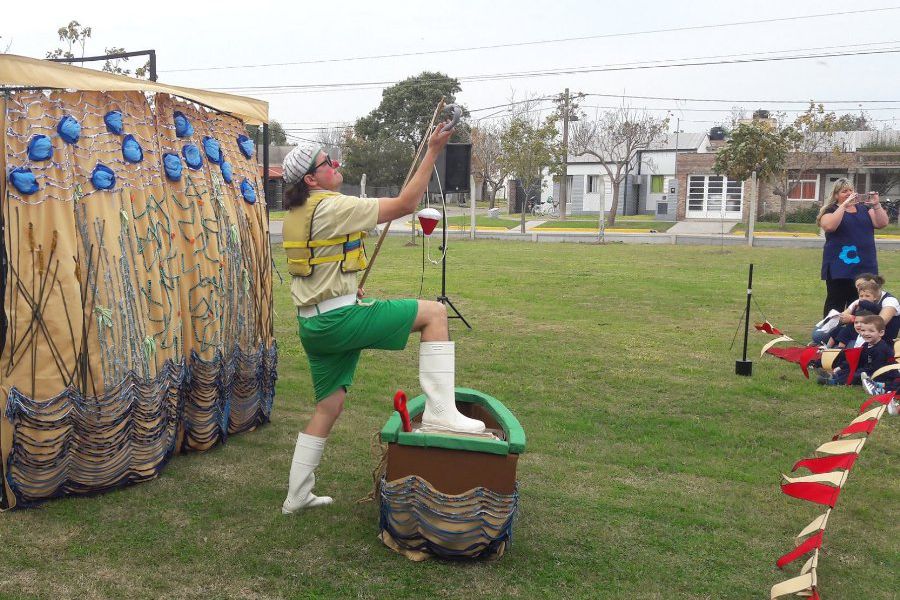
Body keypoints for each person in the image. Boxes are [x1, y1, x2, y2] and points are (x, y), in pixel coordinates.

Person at [279, 122, 485, 515]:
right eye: (328, 162)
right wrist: (433, 151)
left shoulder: (297, 211)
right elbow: (408, 204)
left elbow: (317, 266)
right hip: (337, 323)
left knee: (328, 408)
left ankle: (297, 496)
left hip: (312, 324)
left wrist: (342, 288)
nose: (335, 164)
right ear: (311, 178)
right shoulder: (332, 205)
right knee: (434, 313)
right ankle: (443, 415)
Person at [816, 178, 889, 317]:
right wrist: (843, 206)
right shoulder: (831, 210)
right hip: (840, 267)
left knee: (861, 302)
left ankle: (856, 334)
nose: (849, 193)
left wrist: (876, 205)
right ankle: (830, 334)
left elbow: (882, 223)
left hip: (865, 265)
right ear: (836, 195)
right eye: (844, 191)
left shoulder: (864, 209)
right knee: (836, 302)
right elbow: (829, 226)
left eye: (851, 190)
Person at [818, 315, 893, 386]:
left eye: (871, 331)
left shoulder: (881, 349)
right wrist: (841, 367)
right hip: (867, 368)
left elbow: (876, 368)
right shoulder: (866, 345)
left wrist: (859, 370)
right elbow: (856, 358)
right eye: (863, 330)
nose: (866, 333)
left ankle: (834, 381)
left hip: (879, 374)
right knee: (849, 369)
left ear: (881, 333)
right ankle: (833, 375)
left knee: (856, 374)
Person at [838, 273, 900, 344]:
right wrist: (840, 317)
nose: (859, 289)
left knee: (848, 337)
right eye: (857, 287)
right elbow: (842, 316)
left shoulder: (890, 300)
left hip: (879, 338)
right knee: (828, 333)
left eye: (860, 285)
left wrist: (853, 319)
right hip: (861, 333)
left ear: (872, 282)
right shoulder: (862, 299)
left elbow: (880, 322)